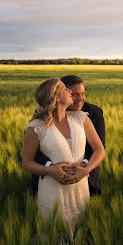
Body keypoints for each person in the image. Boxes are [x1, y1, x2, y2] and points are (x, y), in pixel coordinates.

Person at [23, 77, 105, 234]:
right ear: (54, 97)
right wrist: (51, 170)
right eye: (65, 89)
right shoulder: (36, 127)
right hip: (53, 188)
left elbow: (100, 149)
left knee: (80, 233)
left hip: (80, 186)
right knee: (54, 236)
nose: (71, 92)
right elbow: (27, 163)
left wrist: (86, 170)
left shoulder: (82, 118)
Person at [31, 75, 105, 196]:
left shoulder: (92, 113)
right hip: (50, 180)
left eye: (83, 93)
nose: (81, 99)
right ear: (57, 95)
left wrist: (84, 167)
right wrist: (51, 168)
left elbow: (99, 147)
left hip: (86, 177)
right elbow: (35, 150)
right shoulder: (43, 114)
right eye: (75, 94)